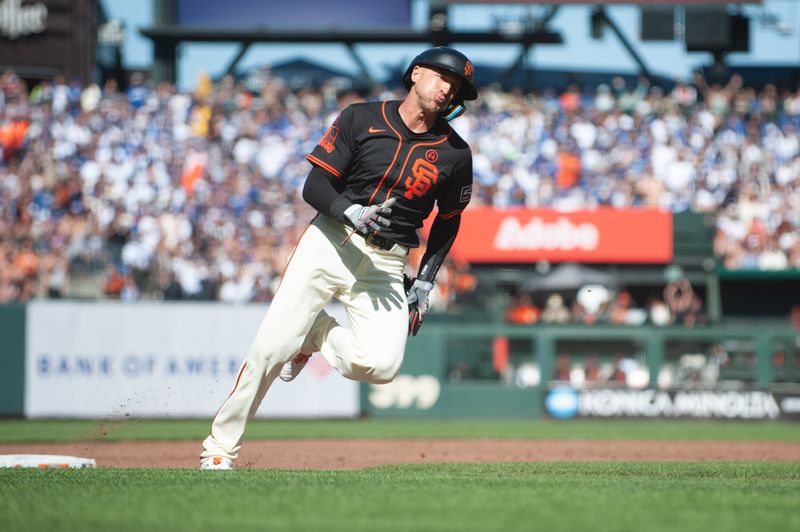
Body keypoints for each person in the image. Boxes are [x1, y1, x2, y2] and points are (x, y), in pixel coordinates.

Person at [200, 47, 477, 469]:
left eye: (456, 87)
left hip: (387, 262)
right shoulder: (360, 118)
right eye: (442, 77)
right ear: (416, 72)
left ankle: (315, 334)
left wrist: (425, 279)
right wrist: (347, 210)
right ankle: (220, 450)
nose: (447, 89)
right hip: (330, 241)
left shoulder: (456, 153)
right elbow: (315, 185)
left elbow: (449, 221)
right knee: (270, 349)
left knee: (379, 365)